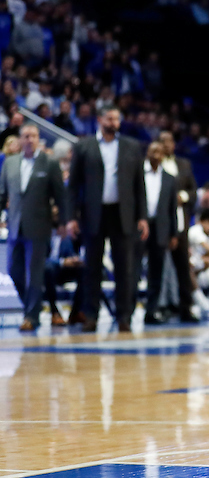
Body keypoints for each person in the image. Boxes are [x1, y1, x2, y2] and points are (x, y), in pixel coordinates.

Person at [67, 107, 149, 332]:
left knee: (125, 268)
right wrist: (71, 217)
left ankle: (124, 316)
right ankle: (90, 315)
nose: (114, 122)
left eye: (117, 119)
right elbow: (73, 185)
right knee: (92, 267)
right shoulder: (84, 146)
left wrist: (142, 216)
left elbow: (139, 185)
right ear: (100, 119)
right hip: (93, 213)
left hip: (123, 213)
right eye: (110, 118)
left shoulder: (132, 146)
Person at [0, 124, 68, 331]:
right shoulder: (10, 163)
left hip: (39, 226)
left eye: (33, 136)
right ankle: (31, 308)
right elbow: (2, 194)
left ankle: (31, 316)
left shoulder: (49, 163)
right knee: (13, 271)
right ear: (20, 139)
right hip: (15, 225)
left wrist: (63, 222)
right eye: (26, 136)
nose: (29, 139)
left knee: (34, 274)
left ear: (38, 139)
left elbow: (60, 196)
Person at [158, 130, 196, 318]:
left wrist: (184, 196)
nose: (167, 144)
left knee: (182, 265)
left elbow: (193, 191)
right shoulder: (151, 164)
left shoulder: (184, 164)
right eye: (162, 141)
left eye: (170, 141)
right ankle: (161, 306)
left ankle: (185, 307)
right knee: (160, 266)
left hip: (180, 220)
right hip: (160, 220)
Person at [142, 141, 180, 325]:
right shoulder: (137, 173)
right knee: (132, 268)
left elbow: (173, 209)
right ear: (147, 153)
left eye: (159, 152)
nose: (156, 154)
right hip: (140, 225)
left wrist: (174, 233)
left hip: (161, 228)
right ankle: (127, 311)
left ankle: (151, 311)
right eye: (153, 151)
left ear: (164, 156)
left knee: (156, 272)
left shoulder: (170, 178)